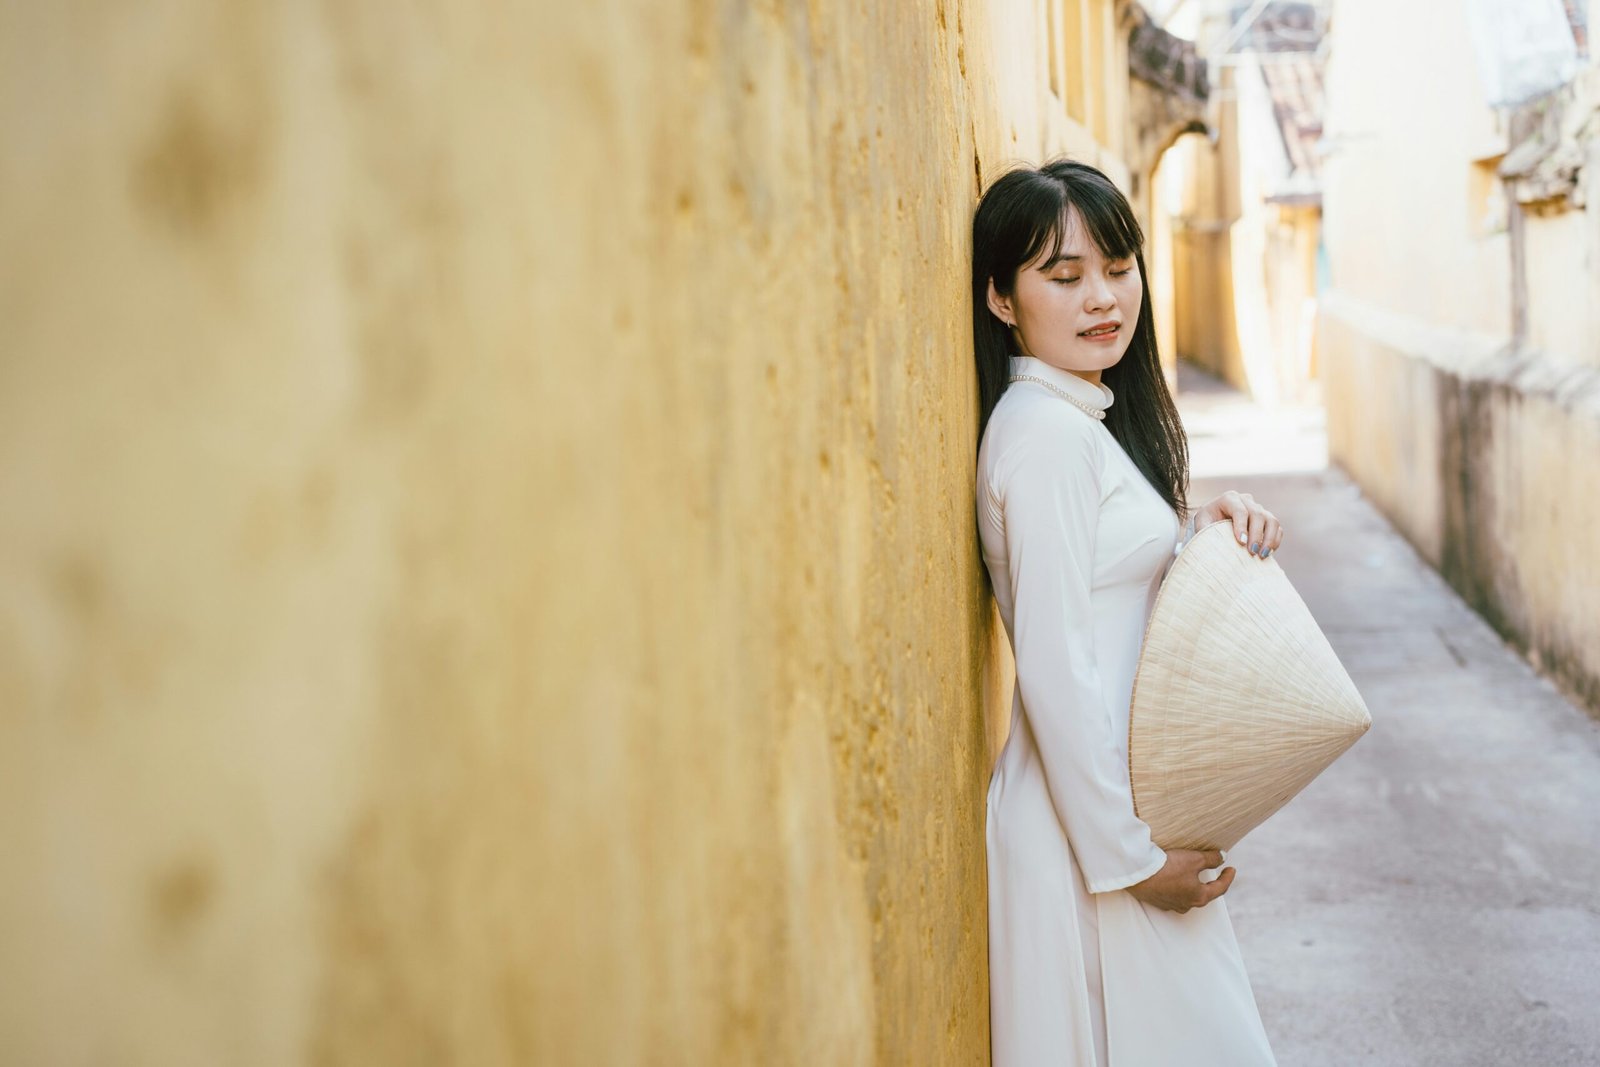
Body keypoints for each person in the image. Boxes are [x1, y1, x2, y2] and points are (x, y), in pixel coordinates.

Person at [972, 158, 1285, 1066]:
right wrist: (1133, 861)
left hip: (1109, 815)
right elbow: (1057, 665)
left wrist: (1200, 530)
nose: (1102, 297)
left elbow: (1099, 582)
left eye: (1117, 266)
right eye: (1064, 277)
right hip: (1091, 833)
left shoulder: (1076, 423)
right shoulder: (1043, 434)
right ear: (1002, 299)